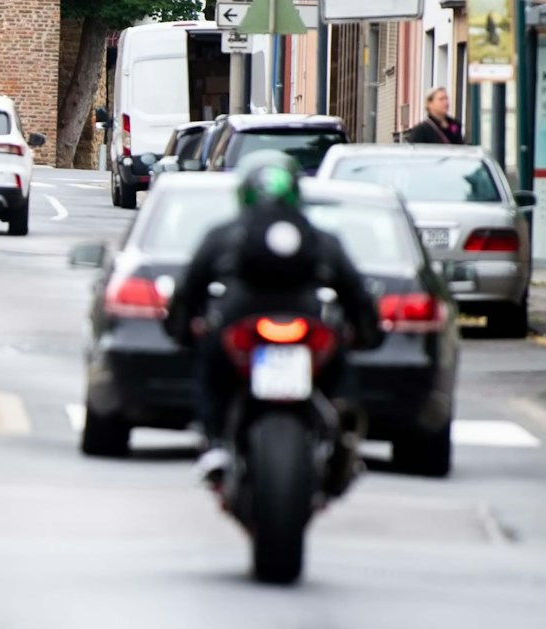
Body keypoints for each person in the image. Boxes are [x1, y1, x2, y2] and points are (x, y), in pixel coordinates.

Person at [164, 152, 384, 484]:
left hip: (240, 320)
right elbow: (356, 293)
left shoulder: (224, 234)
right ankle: (342, 426)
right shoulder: (319, 238)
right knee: (338, 361)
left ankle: (215, 442)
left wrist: (183, 329)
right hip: (306, 320)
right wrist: (366, 333)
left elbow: (189, 290)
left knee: (211, 365)